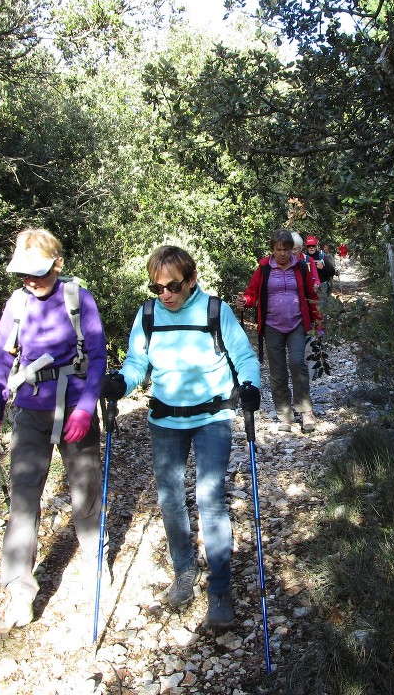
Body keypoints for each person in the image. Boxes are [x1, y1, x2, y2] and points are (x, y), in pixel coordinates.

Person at [100, 246, 261, 631]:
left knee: (210, 499)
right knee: (170, 500)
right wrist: (121, 383)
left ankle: (220, 588)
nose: (165, 294)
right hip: (165, 419)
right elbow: (137, 363)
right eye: (157, 288)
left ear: (190, 279)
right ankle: (184, 571)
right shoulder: (149, 314)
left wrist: (251, 385)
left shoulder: (215, 311)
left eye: (173, 286)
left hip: (213, 417)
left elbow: (243, 356)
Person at [0, 228, 107, 634]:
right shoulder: (17, 303)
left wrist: (86, 407)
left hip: (74, 406)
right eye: (23, 273)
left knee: (85, 490)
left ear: (57, 263)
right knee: (23, 499)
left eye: (38, 272)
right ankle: (19, 593)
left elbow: (99, 355)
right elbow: (2, 361)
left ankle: (94, 562)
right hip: (31, 412)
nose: (31, 281)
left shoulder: (77, 297)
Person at [243, 229, 323, 434]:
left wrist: (318, 322)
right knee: (277, 372)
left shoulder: (301, 267)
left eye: (285, 249)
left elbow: (311, 295)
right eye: (278, 249)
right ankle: (285, 415)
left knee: (297, 362)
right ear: (272, 250)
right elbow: (252, 293)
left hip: (297, 323)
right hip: (272, 325)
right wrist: (245, 301)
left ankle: (305, 411)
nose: (282, 254)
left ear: (291, 250)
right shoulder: (263, 269)